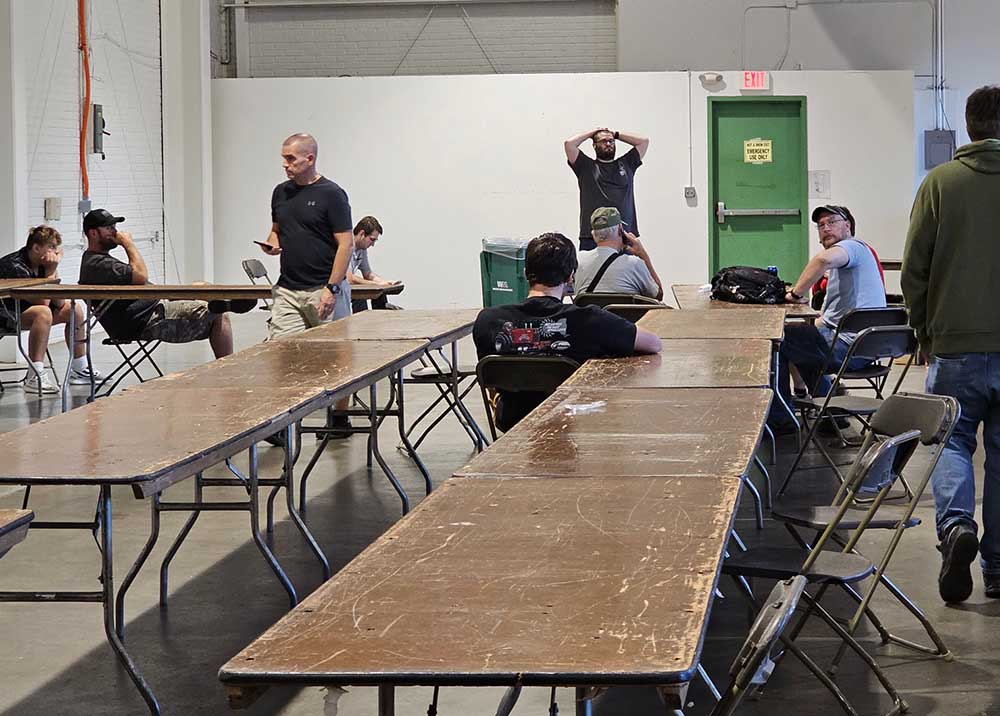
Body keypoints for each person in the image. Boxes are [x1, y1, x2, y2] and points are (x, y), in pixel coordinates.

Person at [902, 85, 1000, 603]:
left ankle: (956, 528)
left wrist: (922, 331)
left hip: (955, 344)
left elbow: (915, 268)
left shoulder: (939, 182)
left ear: (969, 127)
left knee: (951, 441)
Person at [473, 232, 661, 431]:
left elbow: (491, 383)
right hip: (576, 421)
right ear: (571, 276)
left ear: (526, 271)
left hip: (512, 422)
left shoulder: (488, 321)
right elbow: (653, 343)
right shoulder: (590, 320)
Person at [260, 132, 354, 437]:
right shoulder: (280, 193)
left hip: (321, 288)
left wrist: (333, 288)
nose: (285, 165)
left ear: (309, 159)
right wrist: (272, 244)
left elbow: (346, 244)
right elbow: (277, 229)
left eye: (291, 159)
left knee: (336, 357)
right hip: (288, 288)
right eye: (283, 158)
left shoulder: (332, 194)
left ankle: (340, 418)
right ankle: (282, 423)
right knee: (282, 355)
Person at [80, 209, 250, 359]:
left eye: (114, 227)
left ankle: (226, 299)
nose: (115, 232)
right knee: (219, 315)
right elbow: (140, 275)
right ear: (93, 233)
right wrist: (128, 244)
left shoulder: (98, 261)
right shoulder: (98, 264)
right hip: (146, 320)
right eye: (109, 228)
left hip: (153, 305)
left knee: (201, 285)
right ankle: (227, 364)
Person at [775, 204, 886, 427]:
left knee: (776, 341)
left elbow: (822, 260)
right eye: (821, 225)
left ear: (848, 226)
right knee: (802, 339)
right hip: (866, 347)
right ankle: (831, 414)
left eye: (832, 222)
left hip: (852, 349)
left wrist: (795, 293)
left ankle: (781, 421)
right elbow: (827, 320)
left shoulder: (852, 247)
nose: (825, 228)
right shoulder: (847, 263)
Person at [0, 226, 101, 394]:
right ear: (36, 248)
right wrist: (51, 271)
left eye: (56, 247)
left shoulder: (43, 263)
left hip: (24, 311)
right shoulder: (15, 266)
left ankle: (80, 367)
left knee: (72, 309)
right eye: (51, 247)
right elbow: (43, 301)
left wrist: (50, 271)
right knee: (43, 313)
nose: (55, 252)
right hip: (4, 313)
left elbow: (59, 302)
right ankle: (34, 375)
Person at [565, 127, 649, 251]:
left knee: (626, 270)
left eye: (611, 141)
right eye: (603, 141)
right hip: (592, 236)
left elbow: (644, 141)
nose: (608, 144)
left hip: (624, 235)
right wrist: (592, 132)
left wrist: (615, 134)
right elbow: (569, 144)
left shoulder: (627, 164)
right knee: (591, 270)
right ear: (594, 145)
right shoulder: (586, 166)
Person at [574, 207, 663, 300]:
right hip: (624, 315)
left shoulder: (579, 260)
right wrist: (643, 256)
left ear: (593, 234)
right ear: (620, 230)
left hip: (590, 315)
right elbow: (658, 295)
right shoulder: (634, 264)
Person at [348, 216, 400, 313]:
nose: (372, 244)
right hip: (332, 288)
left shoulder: (361, 250)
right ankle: (362, 325)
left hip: (345, 287)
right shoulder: (346, 245)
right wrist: (377, 284)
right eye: (372, 239)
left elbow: (368, 274)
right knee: (360, 295)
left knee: (380, 292)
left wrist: (386, 283)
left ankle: (382, 317)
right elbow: (349, 278)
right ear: (362, 234)